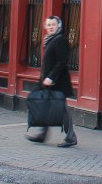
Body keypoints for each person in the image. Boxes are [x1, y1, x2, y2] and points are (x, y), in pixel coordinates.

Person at [25, 16, 77, 147]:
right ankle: (42, 134)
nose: (51, 27)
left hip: (57, 81)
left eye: (53, 24)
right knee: (46, 106)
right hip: (48, 80)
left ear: (58, 26)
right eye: (48, 25)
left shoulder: (60, 40)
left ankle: (71, 137)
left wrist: (51, 77)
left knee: (62, 110)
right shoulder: (49, 40)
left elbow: (62, 62)